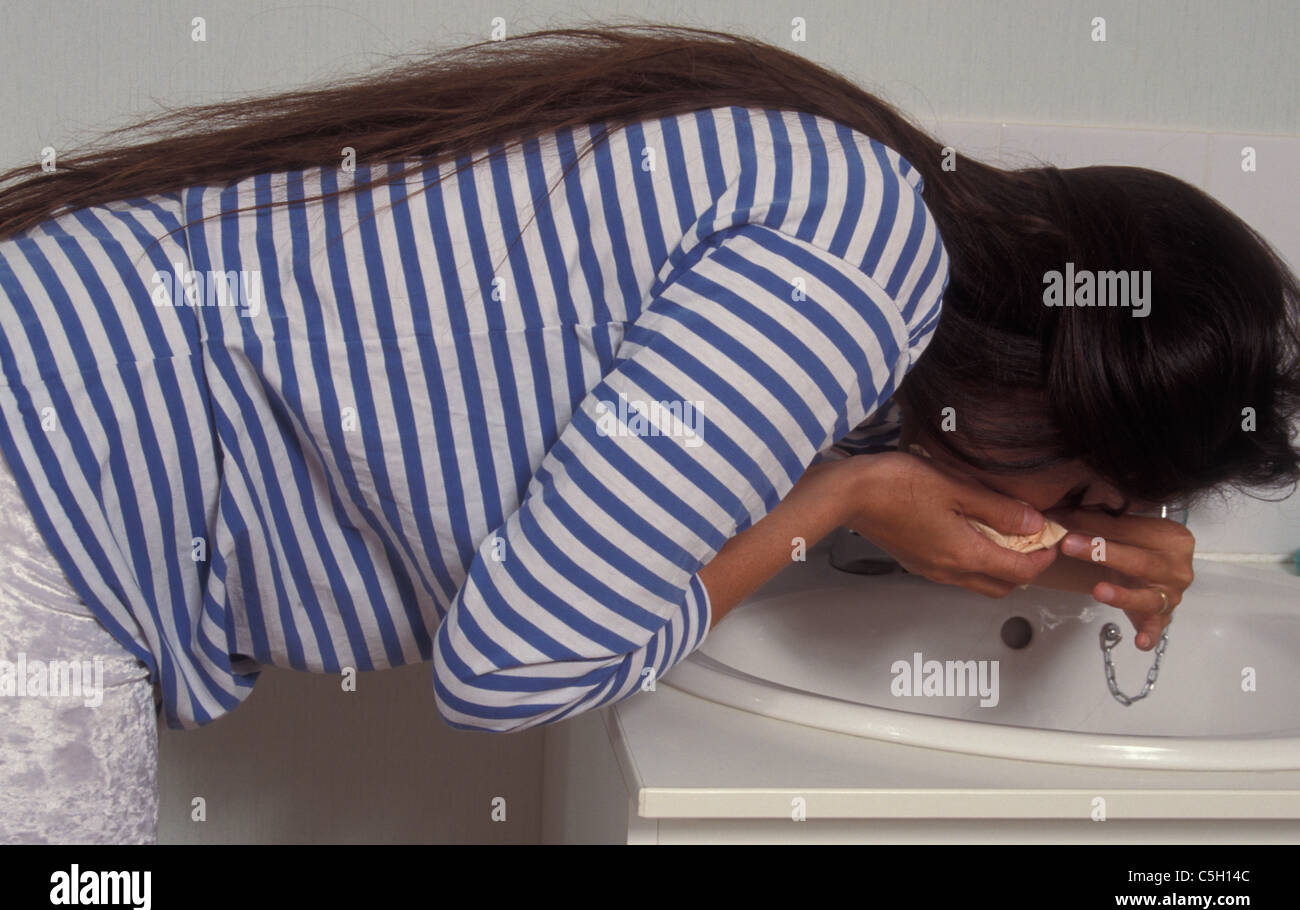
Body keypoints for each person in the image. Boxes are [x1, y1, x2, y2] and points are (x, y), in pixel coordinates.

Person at [0, 24, 1296, 843]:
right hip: (46, 496)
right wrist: (840, 504)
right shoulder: (851, 272)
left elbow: (681, 504)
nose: (1064, 517)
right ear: (1045, 377)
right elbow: (515, 667)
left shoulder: (858, 205)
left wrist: (1060, 544)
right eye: (1083, 483)